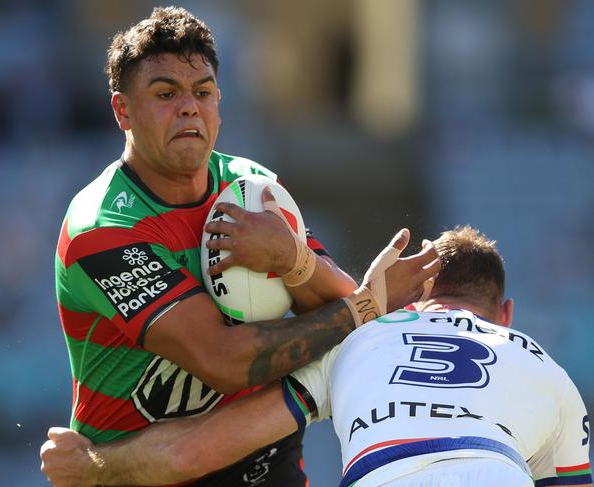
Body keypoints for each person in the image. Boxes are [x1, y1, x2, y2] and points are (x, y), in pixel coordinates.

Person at [52, 5, 439, 486]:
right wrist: (363, 307)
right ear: (122, 110)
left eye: (203, 92)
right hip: (140, 471)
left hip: (264, 463)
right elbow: (224, 362)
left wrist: (293, 261)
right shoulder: (103, 228)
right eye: (165, 93)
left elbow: (338, 305)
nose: (189, 107)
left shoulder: (251, 186)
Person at [42, 226, 591, 487]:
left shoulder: (360, 340)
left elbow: (197, 451)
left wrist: (95, 466)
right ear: (506, 314)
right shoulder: (549, 371)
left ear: (412, 300)